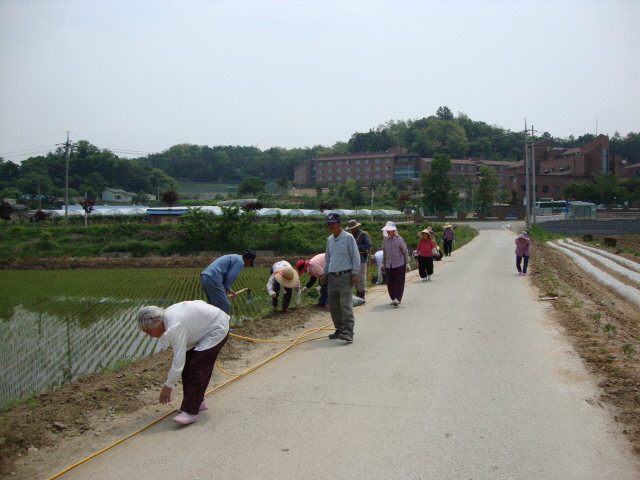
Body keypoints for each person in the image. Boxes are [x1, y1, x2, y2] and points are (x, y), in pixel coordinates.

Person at [136, 300, 229, 425]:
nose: (150, 336)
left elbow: (178, 360)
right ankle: (197, 401)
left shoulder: (175, 324)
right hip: (201, 329)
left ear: (158, 322)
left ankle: (191, 411)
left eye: (148, 332)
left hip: (216, 328)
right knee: (188, 365)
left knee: (198, 366)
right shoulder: (167, 319)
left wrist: (168, 386)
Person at [320, 213, 360, 342]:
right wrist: (324, 273)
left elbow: (355, 256)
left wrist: (355, 273)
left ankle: (348, 331)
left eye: (332, 223)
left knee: (345, 304)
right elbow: (327, 258)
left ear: (339, 224)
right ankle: (339, 329)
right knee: (334, 305)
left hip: (345, 275)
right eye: (328, 224)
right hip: (332, 276)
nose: (330, 226)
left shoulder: (348, 238)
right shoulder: (330, 240)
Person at [200, 250, 256, 315]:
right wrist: (227, 287)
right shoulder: (240, 262)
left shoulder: (235, 257)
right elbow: (231, 275)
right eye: (249, 264)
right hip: (214, 278)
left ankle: (211, 324)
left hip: (205, 277)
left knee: (213, 306)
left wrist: (227, 289)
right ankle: (222, 324)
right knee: (225, 305)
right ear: (249, 260)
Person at [381, 221, 411, 307]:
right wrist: (383, 263)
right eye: (387, 230)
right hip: (388, 264)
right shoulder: (385, 240)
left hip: (399, 263)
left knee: (399, 281)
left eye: (389, 230)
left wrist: (407, 263)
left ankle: (397, 298)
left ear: (394, 230)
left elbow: (405, 251)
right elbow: (385, 252)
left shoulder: (399, 239)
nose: (388, 231)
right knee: (390, 282)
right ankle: (393, 298)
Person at [345, 219, 372, 300]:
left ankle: (362, 293)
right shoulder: (350, 236)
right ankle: (358, 291)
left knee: (362, 277)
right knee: (354, 276)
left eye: (353, 228)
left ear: (356, 227)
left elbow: (368, 244)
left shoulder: (363, 234)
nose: (352, 229)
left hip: (362, 258)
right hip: (352, 259)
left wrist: (357, 247)